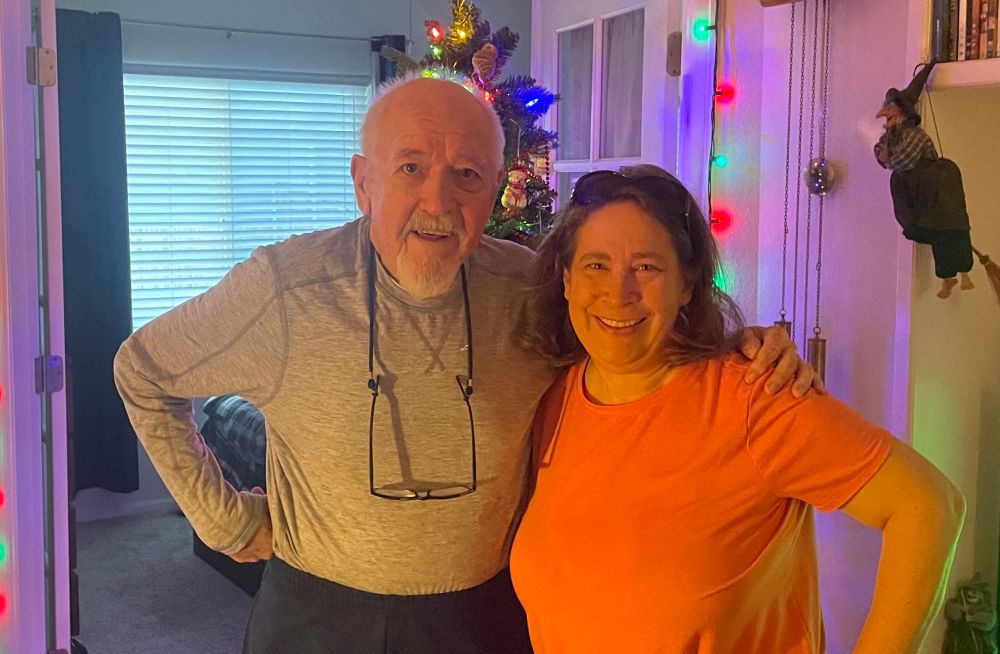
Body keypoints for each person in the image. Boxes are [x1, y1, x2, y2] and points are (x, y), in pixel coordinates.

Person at [114, 77, 812, 654]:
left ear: (495, 189)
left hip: (485, 616)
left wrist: (736, 346)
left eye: (467, 175)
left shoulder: (532, 288)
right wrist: (224, 521)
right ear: (363, 182)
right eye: (410, 167)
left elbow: (631, 334)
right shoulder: (285, 289)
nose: (437, 201)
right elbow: (142, 371)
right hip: (318, 616)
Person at [511, 164, 966, 654]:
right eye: (596, 266)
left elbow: (928, 507)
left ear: (687, 284)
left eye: (646, 267)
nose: (618, 293)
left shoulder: (754, 396)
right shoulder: (554, 399)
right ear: (566, 280)